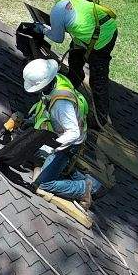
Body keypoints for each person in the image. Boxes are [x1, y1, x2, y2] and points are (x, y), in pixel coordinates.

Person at [19, 59, 95, 202]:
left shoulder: (61, 103)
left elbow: (73, 133)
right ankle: (90, 182)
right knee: (31, 150)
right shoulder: (57, 80)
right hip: (57, 134)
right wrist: (30, 122)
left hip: (68, 144)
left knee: (42, 184)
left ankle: (83, 188)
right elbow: (45, 107)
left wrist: (51, 146)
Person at [45, 0, 121, 109]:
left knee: (98, 80)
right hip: (106, 27)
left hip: (101, 41)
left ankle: (100, 119)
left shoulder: (58, 10)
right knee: (75, 56)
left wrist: (43, 29)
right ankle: (75, 78)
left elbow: (58, 38)